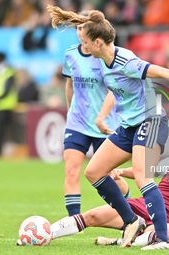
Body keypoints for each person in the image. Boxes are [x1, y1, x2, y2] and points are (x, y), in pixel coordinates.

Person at [47, 6, 169, 250]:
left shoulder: (126, 61)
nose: (84, 48)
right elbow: (113, 89)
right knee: (94, 172)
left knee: (142, 176)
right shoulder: (101, 61)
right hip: (129, 126)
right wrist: (102, 116)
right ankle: (132, 221)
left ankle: (163, 239)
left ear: (98, 42)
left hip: (151, 121)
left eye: (86, 43)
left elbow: (163, 71)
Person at [28, 131, 169, 248]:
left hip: (161, 224)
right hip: (138, 208)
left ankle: (120, 241)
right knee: (92, 216)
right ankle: (45, 234)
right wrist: (121, 172)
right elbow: (144, 171)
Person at [52, 12, 125, 218]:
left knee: (110, 176)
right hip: (77, 123)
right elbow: (70, 85)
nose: (79, 31)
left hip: (105, 125)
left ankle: (127, 208)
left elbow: (113, 90)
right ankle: (73, 221)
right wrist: (69, 112)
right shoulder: (70, 54)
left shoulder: (104, 54)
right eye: (77, 28)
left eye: (82, 27)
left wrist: (101, 117)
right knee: (71, 170)